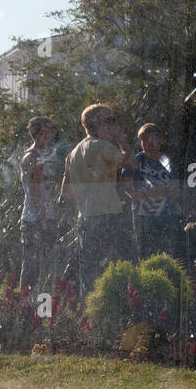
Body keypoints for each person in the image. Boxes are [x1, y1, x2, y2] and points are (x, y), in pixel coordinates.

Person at [59, 103, 136, 295]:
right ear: (97, 124)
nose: (113, 126)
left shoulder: (73, 153)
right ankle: (111, 311)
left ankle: (88, 316)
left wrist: (86, 196)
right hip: (109, 215)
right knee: (116, 269)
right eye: (109, 121)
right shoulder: (103, 146)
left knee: (89, 272)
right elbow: (132, 163)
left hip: (85, 218)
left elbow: (65, 192)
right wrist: (121, 140)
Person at [18, 116, 61, 292]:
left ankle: (41, 303)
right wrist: (43, 218)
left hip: (44, 216)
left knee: (45, 264)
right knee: (32, 265)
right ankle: (26, 304)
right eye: (46, 130)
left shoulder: (44, 155)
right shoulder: (33, 157)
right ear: (39, 133)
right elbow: (35, 191)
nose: (50, 134)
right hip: (35, 219)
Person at [128, 122, 181, 260]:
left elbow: (176, 189)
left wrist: (168, 192)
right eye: (144, 140)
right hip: (143, 217)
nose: (148, 144)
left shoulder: (167, 161)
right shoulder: (136, 161)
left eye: (152, 140)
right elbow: (127, 191)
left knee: (168, 256)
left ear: (161, 140)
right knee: (145, 256)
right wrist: (149, 192)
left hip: (167, 216)